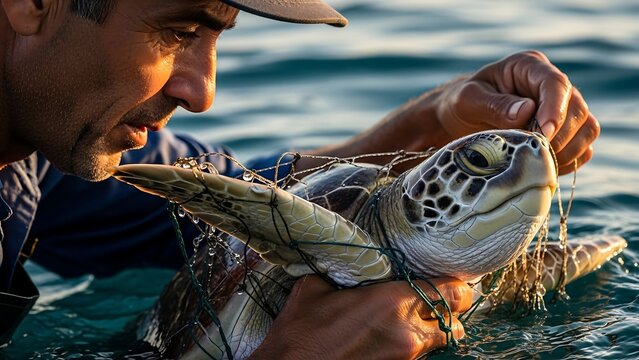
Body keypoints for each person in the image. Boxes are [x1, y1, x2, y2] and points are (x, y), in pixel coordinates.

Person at [0, 0, 599, 358]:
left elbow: (246, 199)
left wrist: (432, 120)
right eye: (180, 32)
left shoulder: (46, 149)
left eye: (216, 38)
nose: (201, 91)